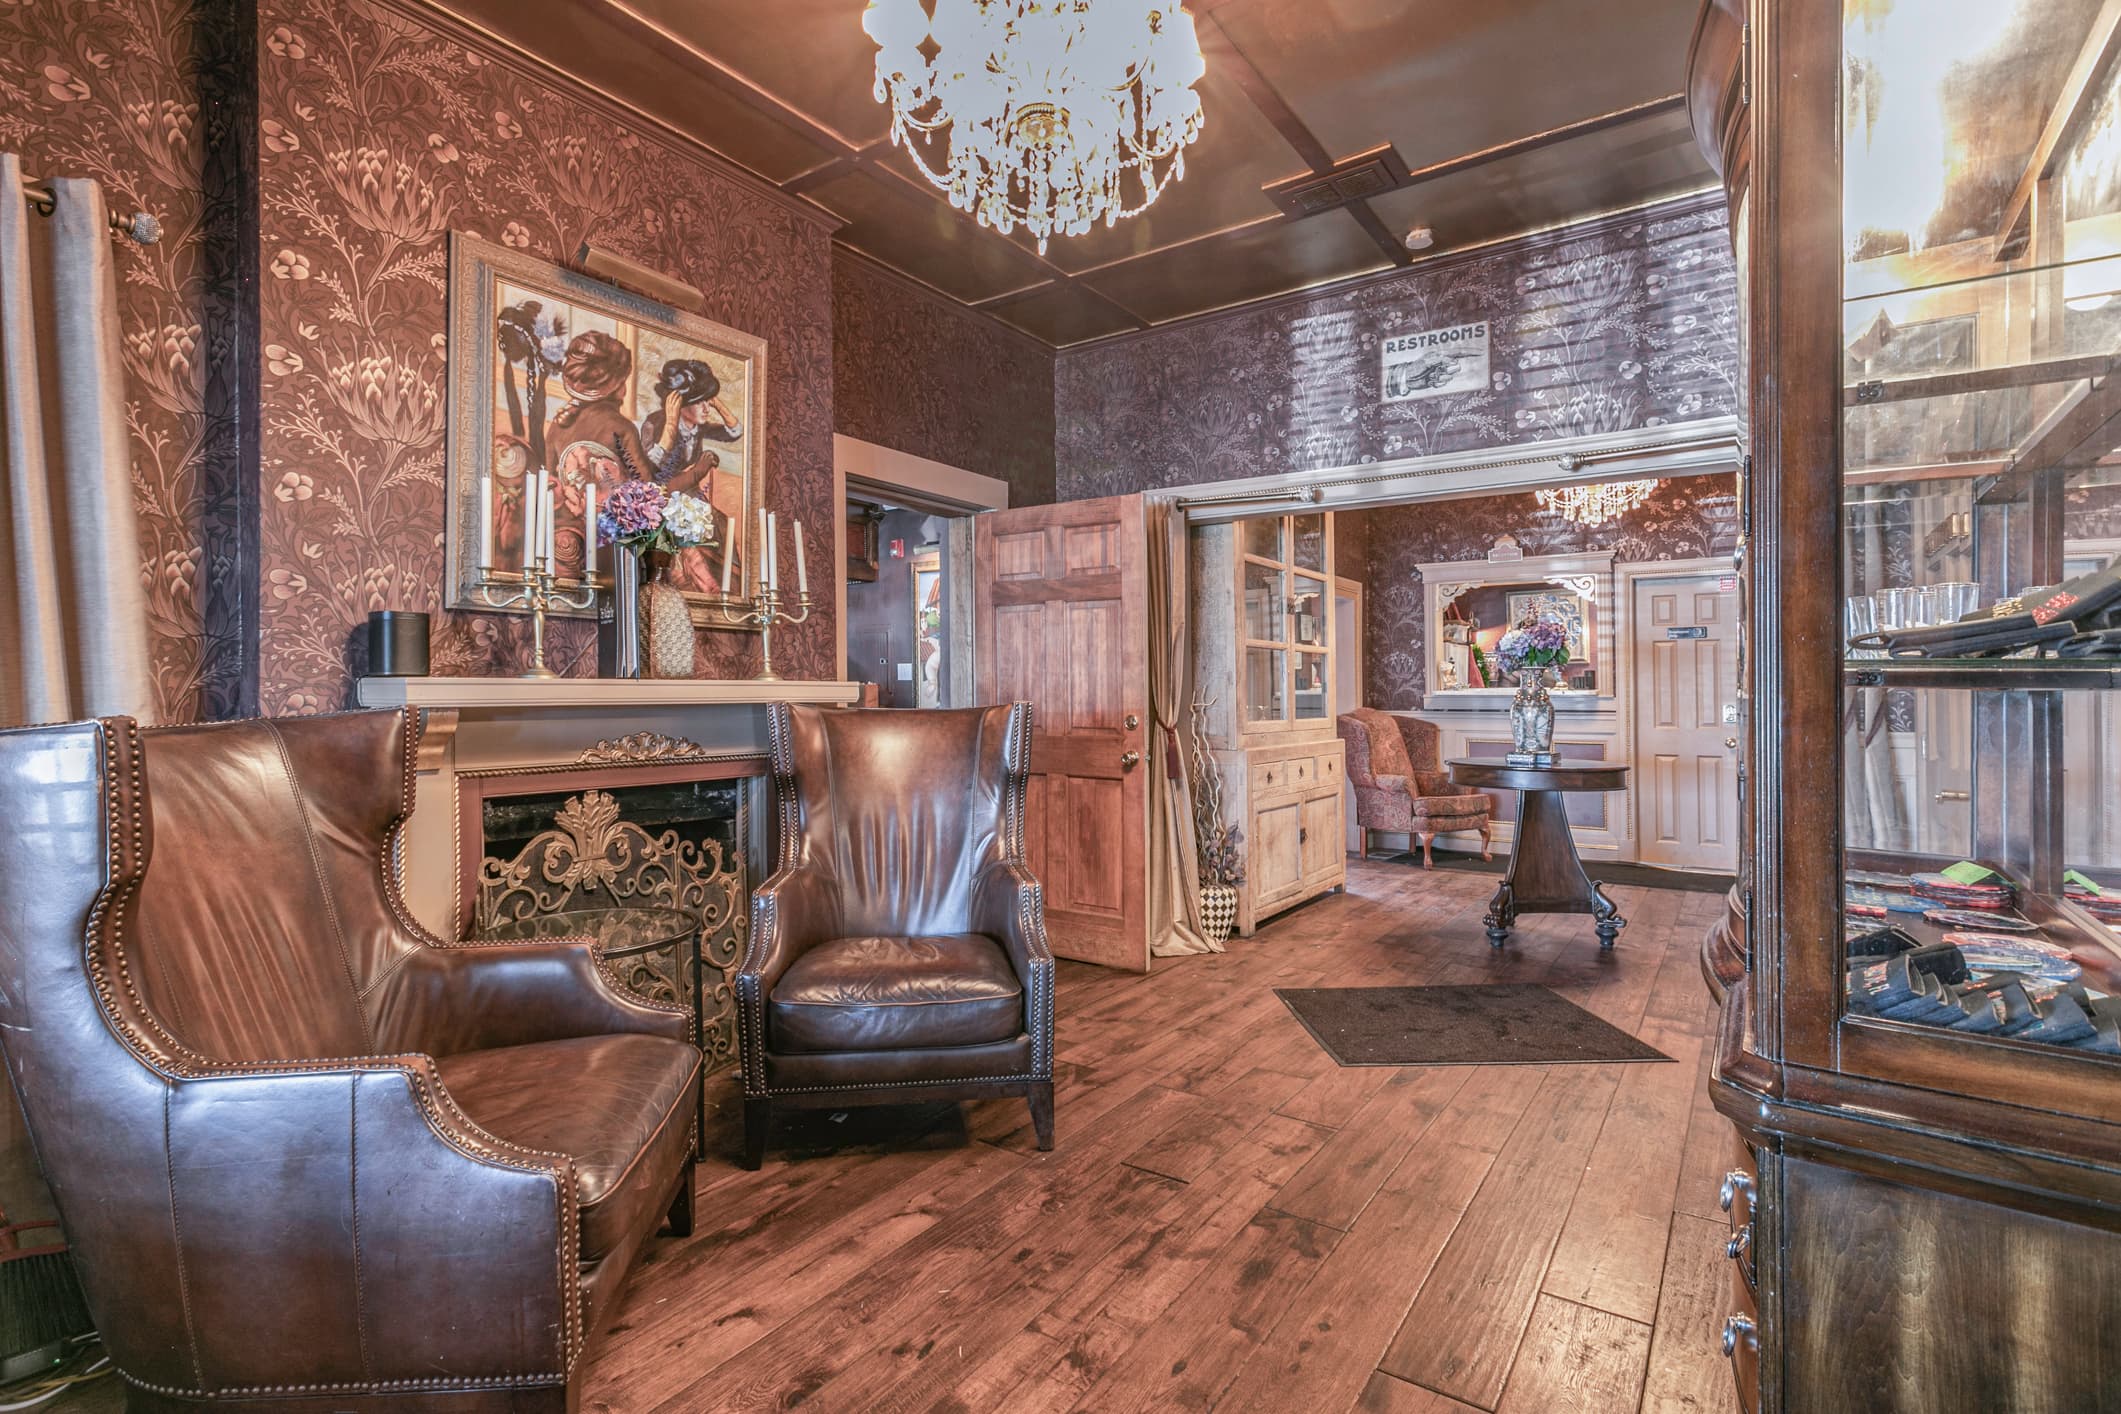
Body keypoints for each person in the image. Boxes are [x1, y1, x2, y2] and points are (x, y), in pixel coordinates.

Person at [543, 331, 654, 490]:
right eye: (624, 381)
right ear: (616, 385)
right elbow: (647, 488)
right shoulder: (622, 428)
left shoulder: (559, 423)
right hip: (609, 513)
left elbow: (549, 480)